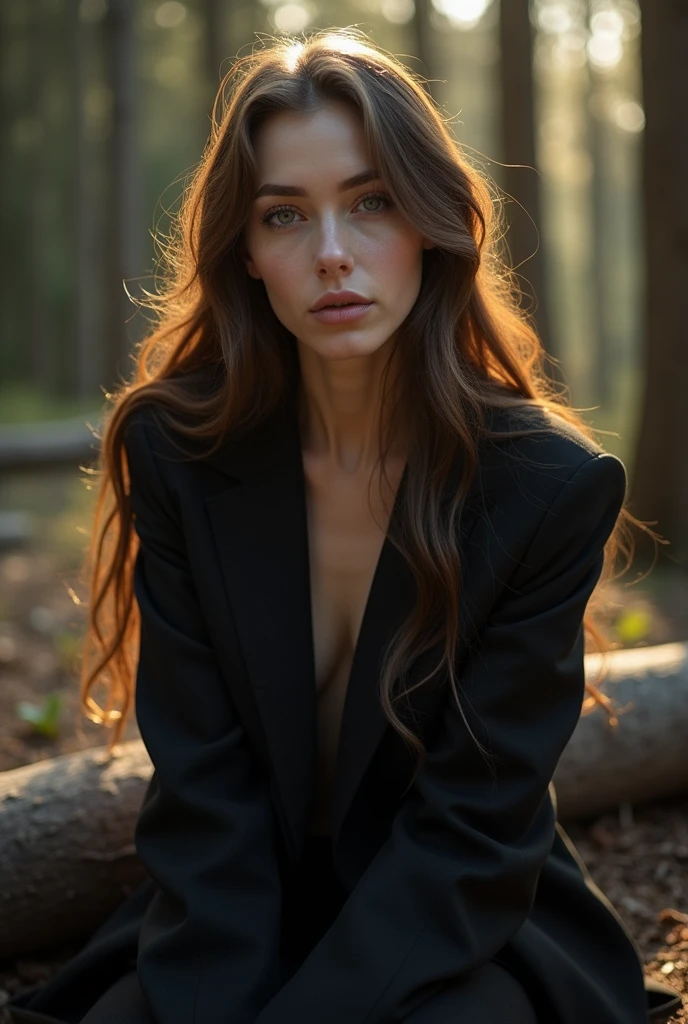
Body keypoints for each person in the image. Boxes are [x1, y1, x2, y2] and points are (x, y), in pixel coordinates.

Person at [8, 27, 682, 1024]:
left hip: (453, 919)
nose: (332, 256)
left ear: (432, 221)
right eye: (287, 216)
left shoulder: (547, 488)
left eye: (370, 204)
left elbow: (469, 832)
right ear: (246, 251)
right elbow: (204, 787)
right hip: (233, 908)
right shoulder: (178, 455)